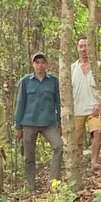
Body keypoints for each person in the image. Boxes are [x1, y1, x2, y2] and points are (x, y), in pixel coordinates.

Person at [14, 52, 63, 190]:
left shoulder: (53, 81)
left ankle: (53, 182)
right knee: (28, 156)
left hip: (48, 122)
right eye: (37, 63)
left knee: (58, 146)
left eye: (42, 62)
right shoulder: (25, 81)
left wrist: (60, 121)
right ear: (33, 64)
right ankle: (31, 185)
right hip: (29, 122)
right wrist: (18, 126)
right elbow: (21, 103)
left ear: (46, 64)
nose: (40, 65)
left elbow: (58, 102)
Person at [71, 38, 101, 170]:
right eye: (81, 46)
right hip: (77, 109)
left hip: (94, 108)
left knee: (97, 131)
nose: (83, 49)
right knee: (77, 140)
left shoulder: (98, 65)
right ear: (77, 48)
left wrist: (99, 103)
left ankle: (94, 162)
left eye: (86, 46)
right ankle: (78, 165)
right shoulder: (72, 69)